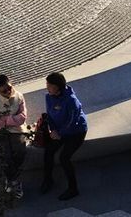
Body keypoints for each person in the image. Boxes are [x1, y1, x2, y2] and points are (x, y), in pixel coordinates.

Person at [41, 72, 88, 201]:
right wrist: (53, 129)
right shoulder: (48, 97)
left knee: (64, 158)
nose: (47, 87)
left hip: (76, 132)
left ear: (57, 87)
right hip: (59, 131)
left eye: (49, 85)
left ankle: (73, 189)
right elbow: (49, 114)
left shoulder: (71, 100)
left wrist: (59, 133)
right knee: (49, 151)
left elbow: (73, 120)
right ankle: (48, 180)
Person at [0, 74, 28, 199]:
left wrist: (4, 119)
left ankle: (10, 180)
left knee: (20, 150)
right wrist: (12, 119)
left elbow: (23, 118)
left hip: (16, 130)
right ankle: (15, 181)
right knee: (5, 153)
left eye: (9, 87)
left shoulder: (19, 96)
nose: (8, 91)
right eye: (4, 90)